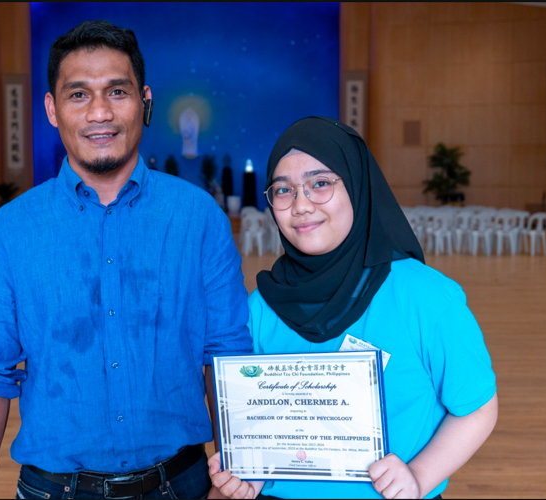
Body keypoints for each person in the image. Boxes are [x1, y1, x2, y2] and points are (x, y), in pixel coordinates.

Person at [0, 20, 251, 499]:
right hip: (54, 489)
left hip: (183, 485)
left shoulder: (199, 219)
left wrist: (238, 477)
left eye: (117, 91)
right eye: (78, 95)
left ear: (145, 100)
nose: (100, 112)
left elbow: (227, 355)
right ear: (52, 109)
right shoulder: (8, 233)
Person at [208, 117, 498, 499]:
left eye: (321, 184)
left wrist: (418, 476)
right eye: (283, 190)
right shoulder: (262, 306)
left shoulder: (425, 297)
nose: (301, 205)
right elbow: (256, 421)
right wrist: (247, 470)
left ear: (358, 186)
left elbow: (478, 408)